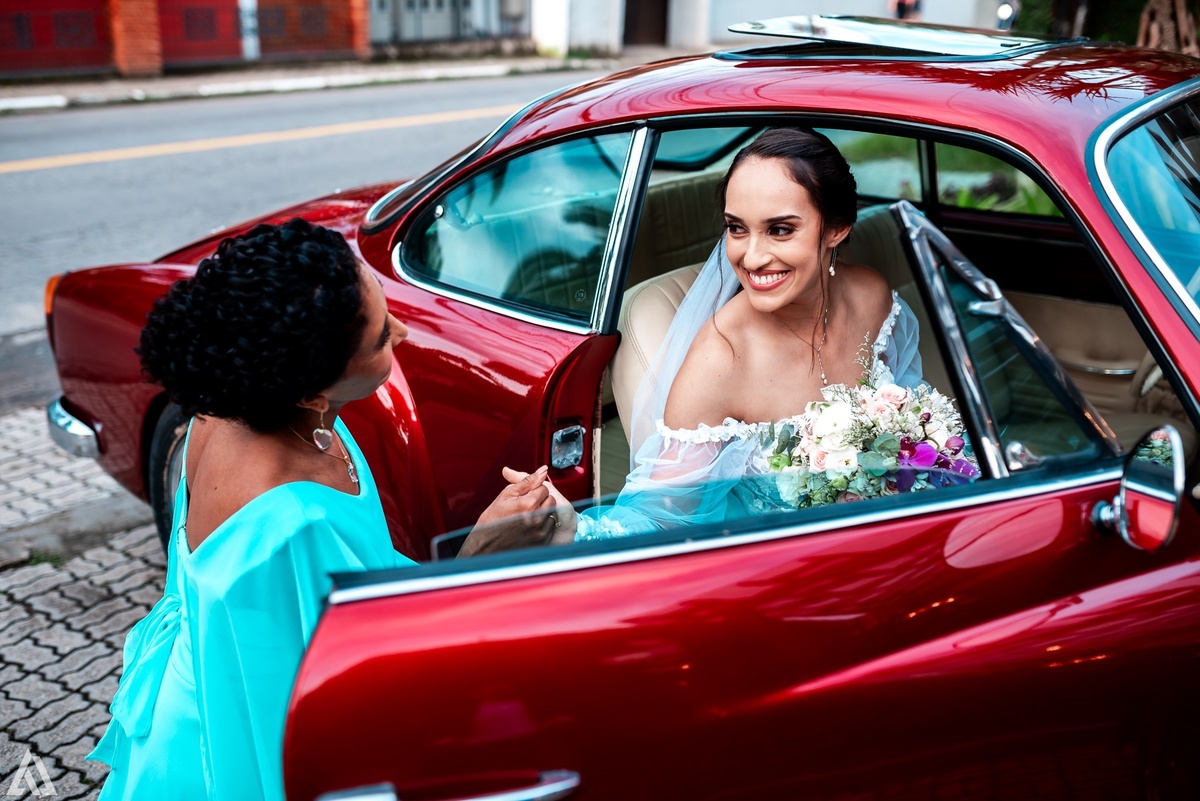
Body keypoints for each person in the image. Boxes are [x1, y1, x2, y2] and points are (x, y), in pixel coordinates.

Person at [89, 219, 561, 799]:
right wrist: (480, 551)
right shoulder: (290, 526)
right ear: (312, 392)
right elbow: (367, 667)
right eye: (383, 337)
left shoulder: (226, 406)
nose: (406, 332)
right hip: (245, 728)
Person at [545, 128, 923, 540]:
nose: (752, 257)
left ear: (836, 228)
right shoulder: (721, 359)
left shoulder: (871, 295)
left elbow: (906, 422)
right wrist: (567, 529)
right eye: (737, 229)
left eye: (780, 229)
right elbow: (664, 516)